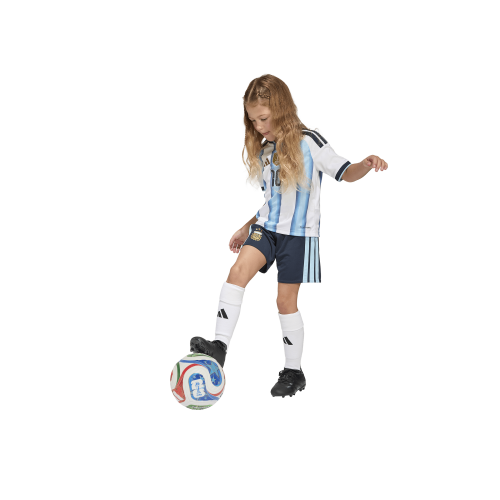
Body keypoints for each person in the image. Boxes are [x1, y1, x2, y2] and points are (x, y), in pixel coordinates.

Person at [190, 74, 388, 398]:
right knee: (237, 272)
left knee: (285, 302)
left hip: (298, 236)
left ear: (281, 109)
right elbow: (273, 200)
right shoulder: (266, 149)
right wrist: (247, 226)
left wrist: (365, 164)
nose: (259, 127)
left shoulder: (310, 140)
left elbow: (345, 173)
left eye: (264, 118)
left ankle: (294, 371)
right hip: (267, 229)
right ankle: (219, 347)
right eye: (253, 121)